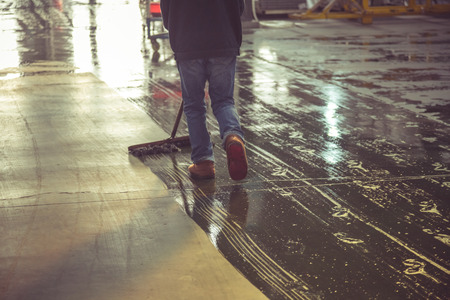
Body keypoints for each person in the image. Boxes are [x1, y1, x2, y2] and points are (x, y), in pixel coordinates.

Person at [160, 0, 248, 181]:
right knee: (224, 101)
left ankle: (203, 162)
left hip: (188, 42)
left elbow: (167, 16)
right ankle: (233, 136)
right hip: (223, 40)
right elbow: (239, 8)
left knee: (194, 105)